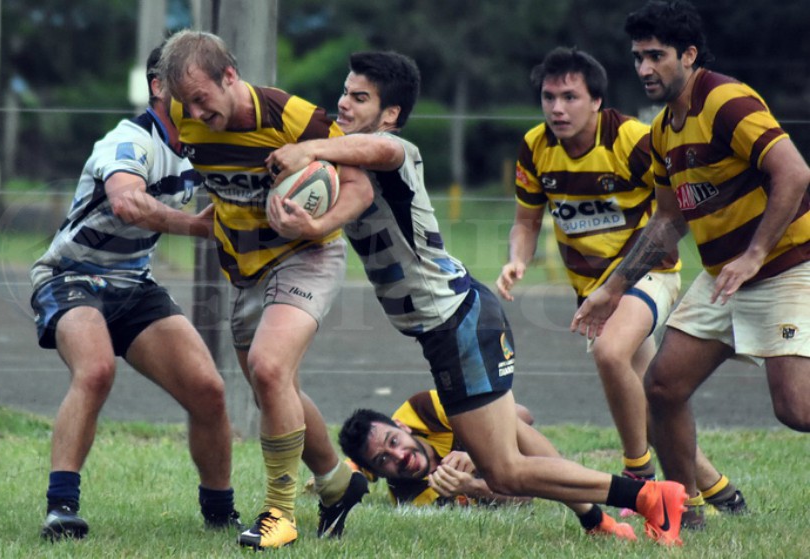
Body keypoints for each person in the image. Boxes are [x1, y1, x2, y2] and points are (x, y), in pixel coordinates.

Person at [266, 50, 689, 546]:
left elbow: (381, 154)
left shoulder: (395, 150)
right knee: (511, 449)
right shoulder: (345, 165)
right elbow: (355, 193)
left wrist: (307, 151)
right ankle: (599, 519)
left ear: (390, 116)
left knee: (505, 470)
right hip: (449, 327)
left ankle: (649, 497)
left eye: (360, 98)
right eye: (343, 92)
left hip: (458, 324)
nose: (343, 104)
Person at [572, 0, 810, 527]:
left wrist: (752, 256)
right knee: (662, 387)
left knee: (797, 411)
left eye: (656, 56)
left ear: (689, 54)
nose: (644, 69)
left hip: (787, 266)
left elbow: (794, 173)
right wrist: (612, 290)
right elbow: (665, 222)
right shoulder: (662, 131)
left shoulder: (727, 100)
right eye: (637, 58)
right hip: (724, 277)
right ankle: (687, 513)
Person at [496, 46, 744, 526]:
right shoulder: (536, 145)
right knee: (651, 399)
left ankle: (640, 478)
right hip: (592, 291)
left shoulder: (632, 138)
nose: (557, 108)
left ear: (596, 101)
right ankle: (719, 490)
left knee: (611, 354)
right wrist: (516, 260)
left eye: (570, 97)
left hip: (648, 274)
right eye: (549, 97)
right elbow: (526, 222)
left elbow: (671, 216)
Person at [158, 30, 376, 550]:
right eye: (184, 102)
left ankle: (280, 513)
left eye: (203, 98)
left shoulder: (291, 116)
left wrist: (318, 227)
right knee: (274, 388)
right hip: (245, 267)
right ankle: (339, 484)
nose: (195, 111)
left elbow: (361, 187)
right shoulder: (180, 113)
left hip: (306, 254)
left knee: (270, 367)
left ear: (229, 76)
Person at [29, 45, 240, 541]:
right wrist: (195, 227)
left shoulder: (205, 144)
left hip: (133, 284)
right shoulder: (129, 141)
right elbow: (126, 202)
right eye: (187, 84)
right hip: (71, 275)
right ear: (159, 87)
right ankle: (61, 508)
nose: (200, 98)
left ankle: (219, 513)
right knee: (96, 368)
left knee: (208, 391)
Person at [339, 390, 536, 507]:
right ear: (378, 473)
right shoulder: (412, 497)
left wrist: (478, 452)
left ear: (402, 426)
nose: (400, 456)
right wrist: (473, 488)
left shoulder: (425, 409)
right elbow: (525, 498)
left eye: (394, 441)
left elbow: (524, 415)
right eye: (383, 460)